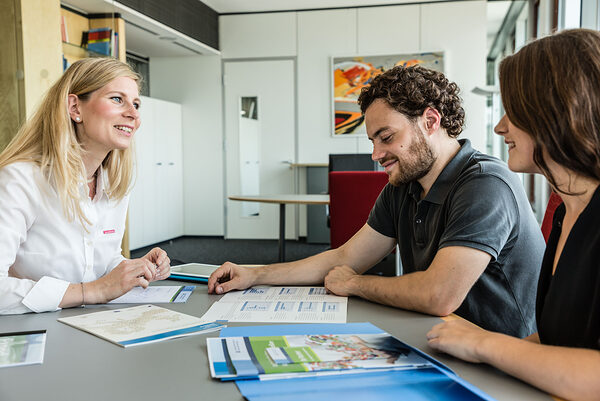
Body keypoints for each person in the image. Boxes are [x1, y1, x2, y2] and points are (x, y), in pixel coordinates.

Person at [209, 65, 545, 337]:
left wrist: (355, 284)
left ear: (430, 122)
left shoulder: (485, 184)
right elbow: (345, 256)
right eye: (373, 140)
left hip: (502, 360)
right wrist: (255, 273)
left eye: (386, 137)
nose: (376, 154)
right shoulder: (404, 185)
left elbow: (438, 294)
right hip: (442, 338)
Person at [426, 29, 600, 400]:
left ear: (556, 112)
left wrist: (484, 345)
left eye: (514, 111)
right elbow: (559, 340)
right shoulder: (564, 209)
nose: (499, 126)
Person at [0, 58, 171, 315]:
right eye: (117, 99)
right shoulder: (20, 179)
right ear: (74, 107)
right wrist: (93, 291)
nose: (134, 114)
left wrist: (133, 269)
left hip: (90, 325)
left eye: (136, 104)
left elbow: (100, 261)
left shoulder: (113, 184)